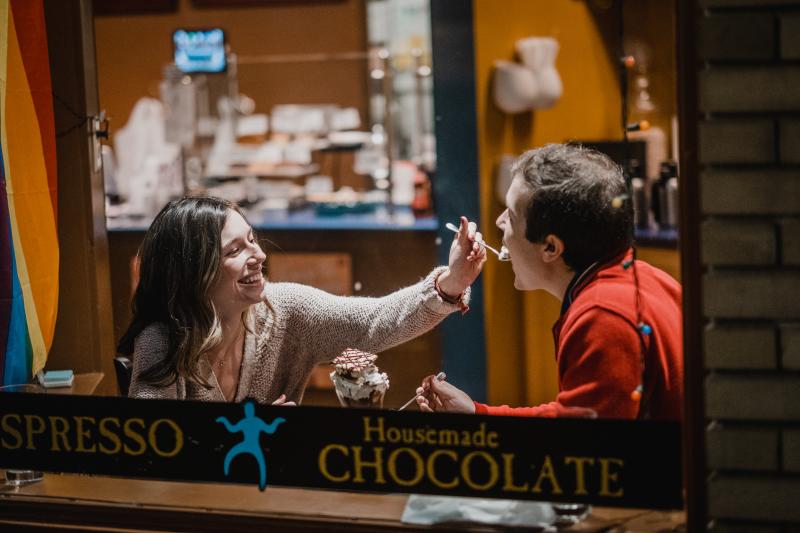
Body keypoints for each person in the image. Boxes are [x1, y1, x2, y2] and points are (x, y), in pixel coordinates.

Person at [120, 197, 486, 404]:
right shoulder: (162, 339)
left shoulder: (285, 310)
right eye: (235, 250)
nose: (259, 256)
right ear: (193, 273)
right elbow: (156, 455)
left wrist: (451, 283)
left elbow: (375, 321)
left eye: (252, 239)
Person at [416, 143, 683, 420]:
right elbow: (576, 414)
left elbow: (583, 446)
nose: (498, 221)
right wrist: (478, 413)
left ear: (551, 248)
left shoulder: (602, 317)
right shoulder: (646, 276)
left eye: (511, 214)